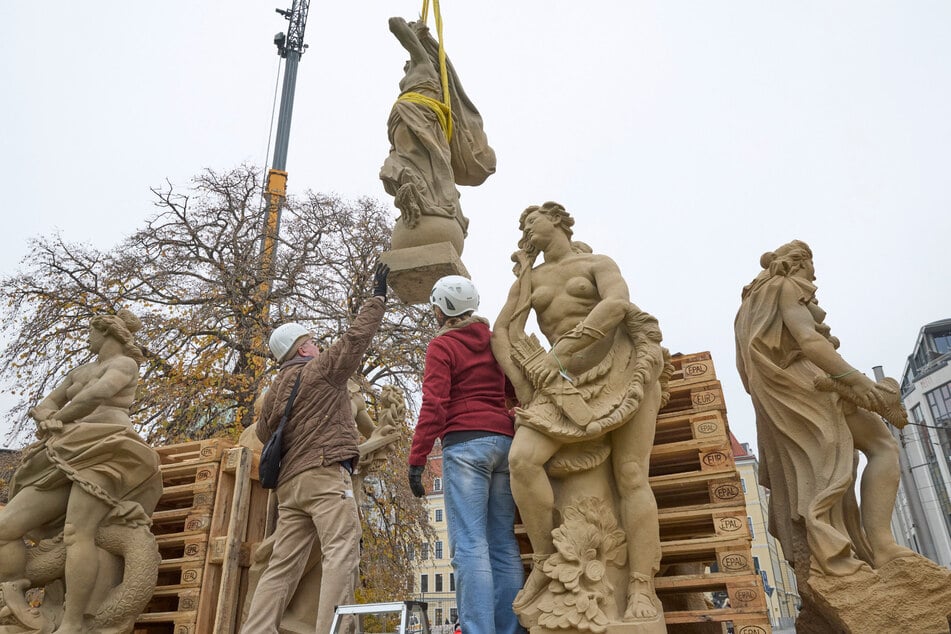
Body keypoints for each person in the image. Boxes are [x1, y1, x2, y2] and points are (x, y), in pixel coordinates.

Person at [491, 202, 670, 623]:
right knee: (522, 461)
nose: (526, 228)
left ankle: (641, 585)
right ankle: (544, 562)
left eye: (531, 220)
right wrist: (524, 384)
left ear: (556, 219)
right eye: (522, 225)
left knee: (631, 476)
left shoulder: (597, 263)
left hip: (619, 371)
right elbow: (504, 332)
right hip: (560, 387)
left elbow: (617, 305)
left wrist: (561, 355)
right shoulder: (530, 279)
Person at [734, 240, 915, 576]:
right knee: (882, 446)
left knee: (825, 468)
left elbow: (746, 370)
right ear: (800, 263)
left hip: (782, 393)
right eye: (813, 266)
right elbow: (810, 340)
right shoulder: (787, 286)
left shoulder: (749, 305)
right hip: (810, 383)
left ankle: (849, 547)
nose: (815, 276)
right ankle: (882, 545)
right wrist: (857, 382)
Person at [240, 263, 389, 634]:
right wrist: (378, 299)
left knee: (281, 567)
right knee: (341, 552)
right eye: (313, 340)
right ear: (303, 347)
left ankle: (256, 631)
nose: (319, 344)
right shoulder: (322, 369)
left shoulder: (275, 389)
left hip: (291, 488)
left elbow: (262, 433)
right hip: (326, 476)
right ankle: (333, 630)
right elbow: (355, 340)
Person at [0, 309, 163, 633]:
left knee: (77, 533)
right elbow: (46, 403)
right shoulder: (79, 371)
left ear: (107, 333)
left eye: (91, 331)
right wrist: (48, 417)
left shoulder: (125, 364)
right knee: (6, 526)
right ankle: (13, 599)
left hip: (106, 448)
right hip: (62, 450)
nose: (87, 338)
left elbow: (98, 394)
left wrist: (60, 416)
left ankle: (73, 623)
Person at [408, 275, 524, 634]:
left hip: (466, 447)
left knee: (470, 546)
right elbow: (513, 391)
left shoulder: (442, 346)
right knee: (503, 543)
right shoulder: (493, 342)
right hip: (505, 444)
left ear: (440, 309)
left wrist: (417, 459)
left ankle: (477, 630)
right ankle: (509, 629)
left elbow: (435, 405)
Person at [380, 17, 496, 254]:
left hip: (419, 119)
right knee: (411, 164)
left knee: (426, 166)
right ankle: (419, 196)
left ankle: (426, 200)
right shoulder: (417, 74)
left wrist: (415, 34)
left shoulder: (425, 67)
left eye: (408, 62)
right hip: (405, 120)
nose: (406, 66)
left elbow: (395, 24)